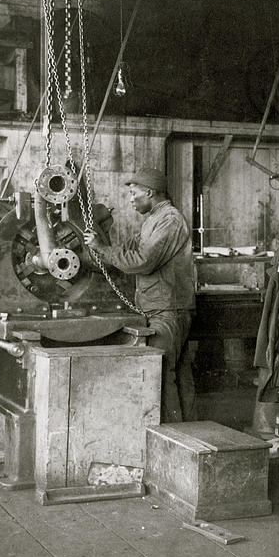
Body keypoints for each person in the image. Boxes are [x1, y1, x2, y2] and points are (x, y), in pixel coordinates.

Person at [84, 168, 196, 423]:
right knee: (176, 374)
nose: (131, 199)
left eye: (134, 193)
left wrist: (103, 249)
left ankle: (172, 438)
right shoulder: (153, 220)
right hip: (161, 308)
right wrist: (101, 247)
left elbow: (143, 260)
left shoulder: (170, 220)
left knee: (162, 374)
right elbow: (129, 249)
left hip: (168, 310)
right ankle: (187, 432)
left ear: (149, 191)